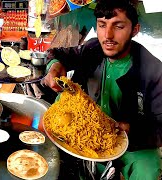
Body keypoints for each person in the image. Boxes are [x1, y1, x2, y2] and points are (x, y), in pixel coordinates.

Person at [43, 0, 162, 179]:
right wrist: (54, 66)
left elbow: (159, 126)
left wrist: (129, 129)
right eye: (101, 25)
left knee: (149, 170)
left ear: (135, 30)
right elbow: (57, 54)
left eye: (119, 26)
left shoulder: (153, 70)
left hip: (132, 142)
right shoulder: (92, 49)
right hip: (82, 128)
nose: (108, 35)